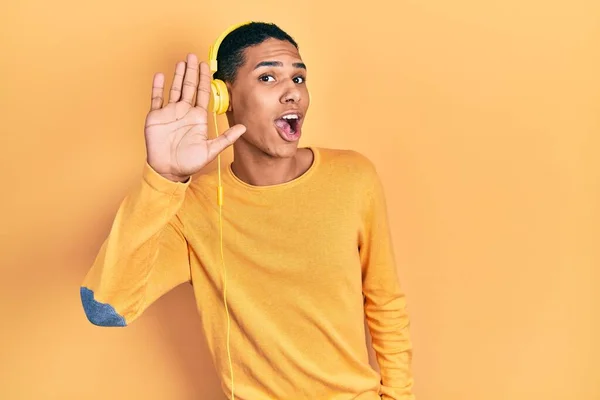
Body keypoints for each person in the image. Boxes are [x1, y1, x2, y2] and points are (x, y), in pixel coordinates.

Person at [80, 21, 415, 400]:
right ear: (224, 97)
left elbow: (385, 302)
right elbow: (106, 308)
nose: (292, 93)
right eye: (269, 77)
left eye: (299, 78)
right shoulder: (190, 207)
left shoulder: (354, 177)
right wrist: (163, 177)